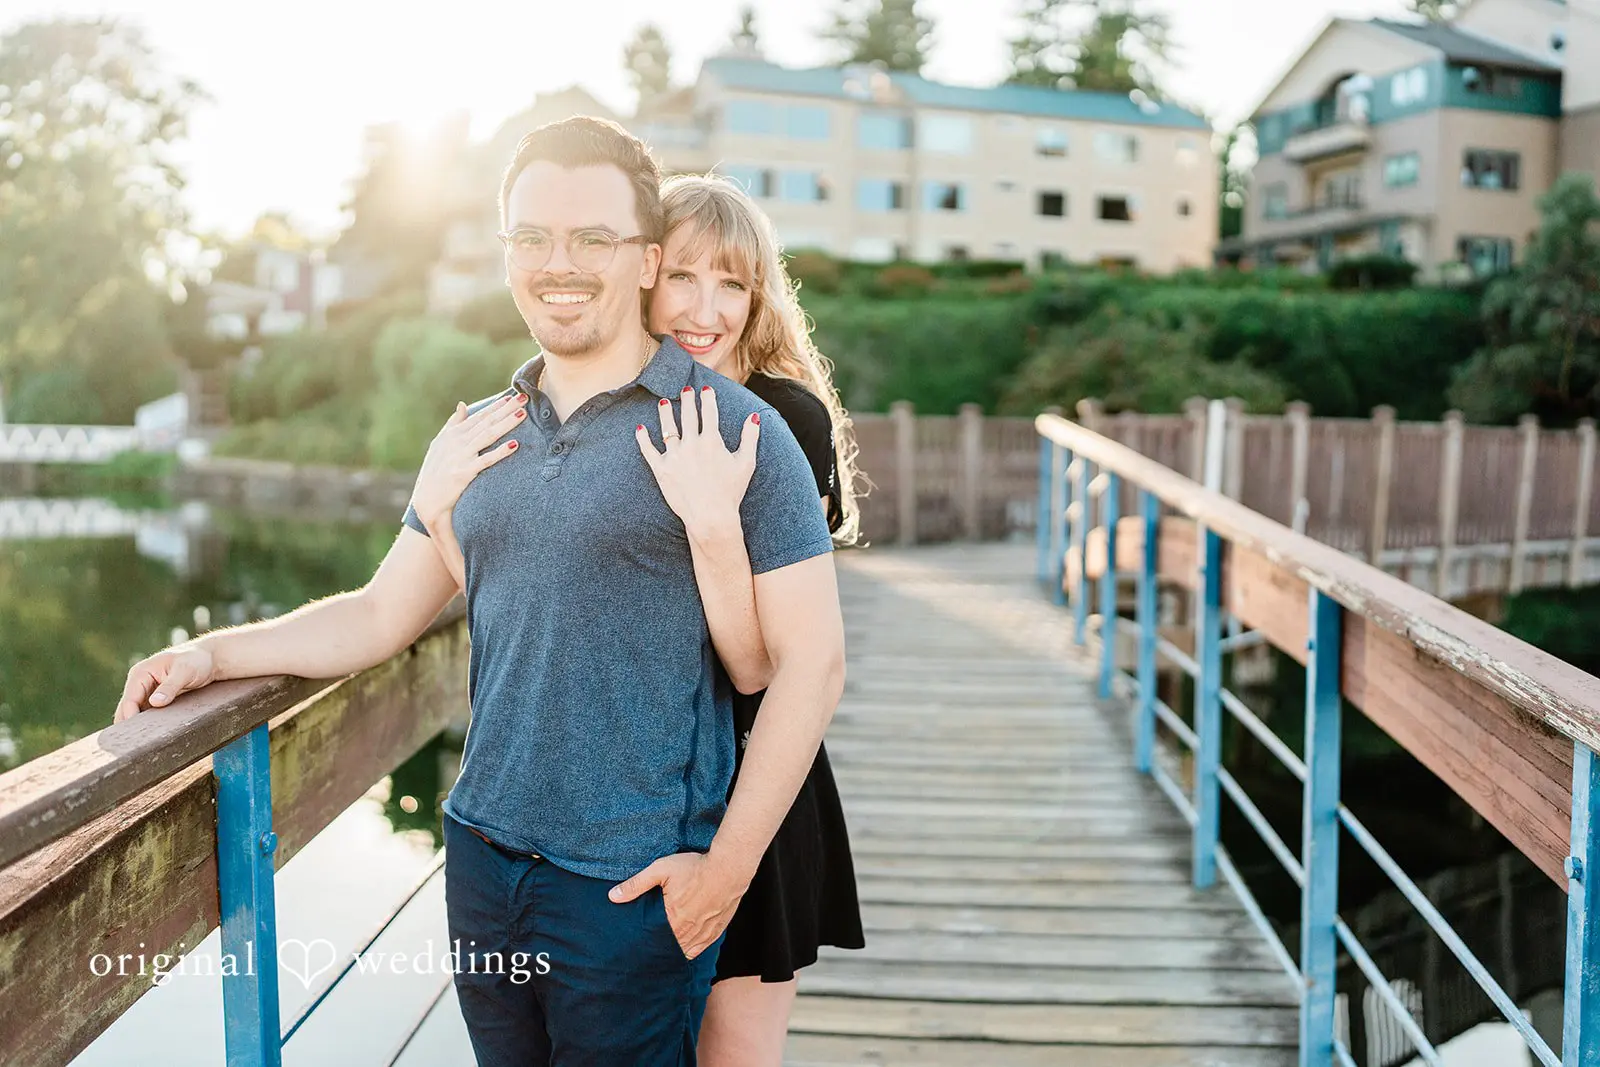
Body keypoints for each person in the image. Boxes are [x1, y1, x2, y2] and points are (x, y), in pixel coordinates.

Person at [113, 116, 847, 1067]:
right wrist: (212, 652)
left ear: (644, 260)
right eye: (533, 235)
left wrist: (726, 874)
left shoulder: (740, 430)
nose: (560, 261)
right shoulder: (481, 433)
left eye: (593, 237)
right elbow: (381, 611)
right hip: (482, 859)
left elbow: (810, 664)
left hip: (630, 891)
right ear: (507, 252)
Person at [414, 173, 865, 1067]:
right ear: (647, 273)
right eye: (686, 278)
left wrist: (708, 526)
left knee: (734, 1050)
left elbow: (760, 667)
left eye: (733, 284)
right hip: (626, 793)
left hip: (749, 774)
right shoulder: (603, 414)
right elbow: (530, 597)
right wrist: (437, 519)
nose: (707, 308)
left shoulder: (777, 418)